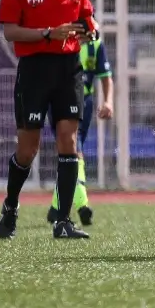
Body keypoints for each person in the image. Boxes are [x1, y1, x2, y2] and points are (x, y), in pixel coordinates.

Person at [0, 0, 97, 239]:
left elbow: (87, 18)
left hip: (69, 69)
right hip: (35, 71)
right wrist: (47, 34)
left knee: (69, 141)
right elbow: (10, 31)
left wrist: (88, 30)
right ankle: (11, 205)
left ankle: (63, 222)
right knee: (28, 150)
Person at [46, 36, 113, 226]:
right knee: (73, 149)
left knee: (72, 149)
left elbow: (106, 77)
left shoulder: (96, 44)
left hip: (85, 101)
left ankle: (56, 206)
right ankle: (82, 204)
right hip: (59, 100)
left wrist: (108, 101)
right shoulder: (61, 38)